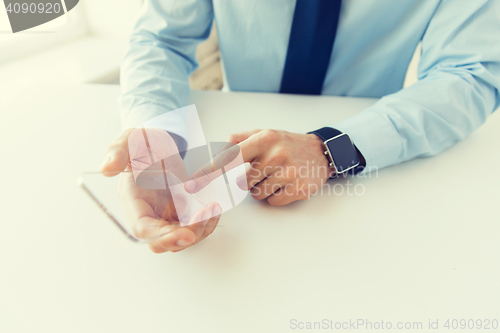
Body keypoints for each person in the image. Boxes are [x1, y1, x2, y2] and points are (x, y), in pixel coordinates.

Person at [100, 0, 500, 253]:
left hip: (374, 183)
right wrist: (156, 136)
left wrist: (330, 149)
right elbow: (163, 39)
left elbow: (469, 74)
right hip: (233, 150)